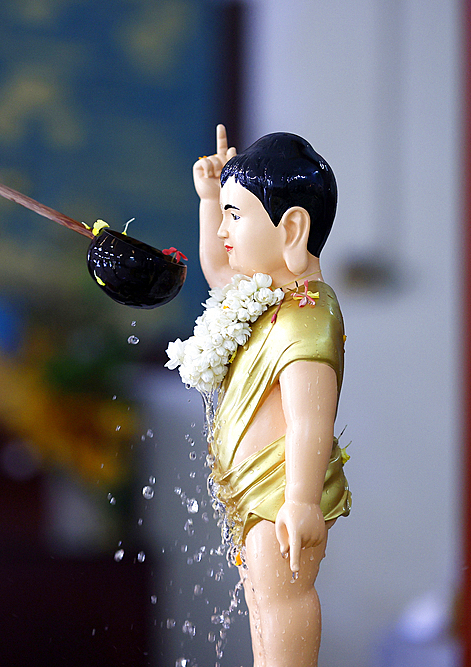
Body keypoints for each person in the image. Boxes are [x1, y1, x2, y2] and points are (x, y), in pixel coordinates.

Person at [185, 125, 351, 667]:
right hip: (254, 494)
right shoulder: (261, 299)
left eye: (238, 215)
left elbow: (309, 421)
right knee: (261, 599)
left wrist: (302, 501)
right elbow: (217, 269)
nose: (226, 231)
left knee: (283, 598)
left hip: (281, 494)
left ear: (292, 229)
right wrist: (212, 200)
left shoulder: (305, 315)